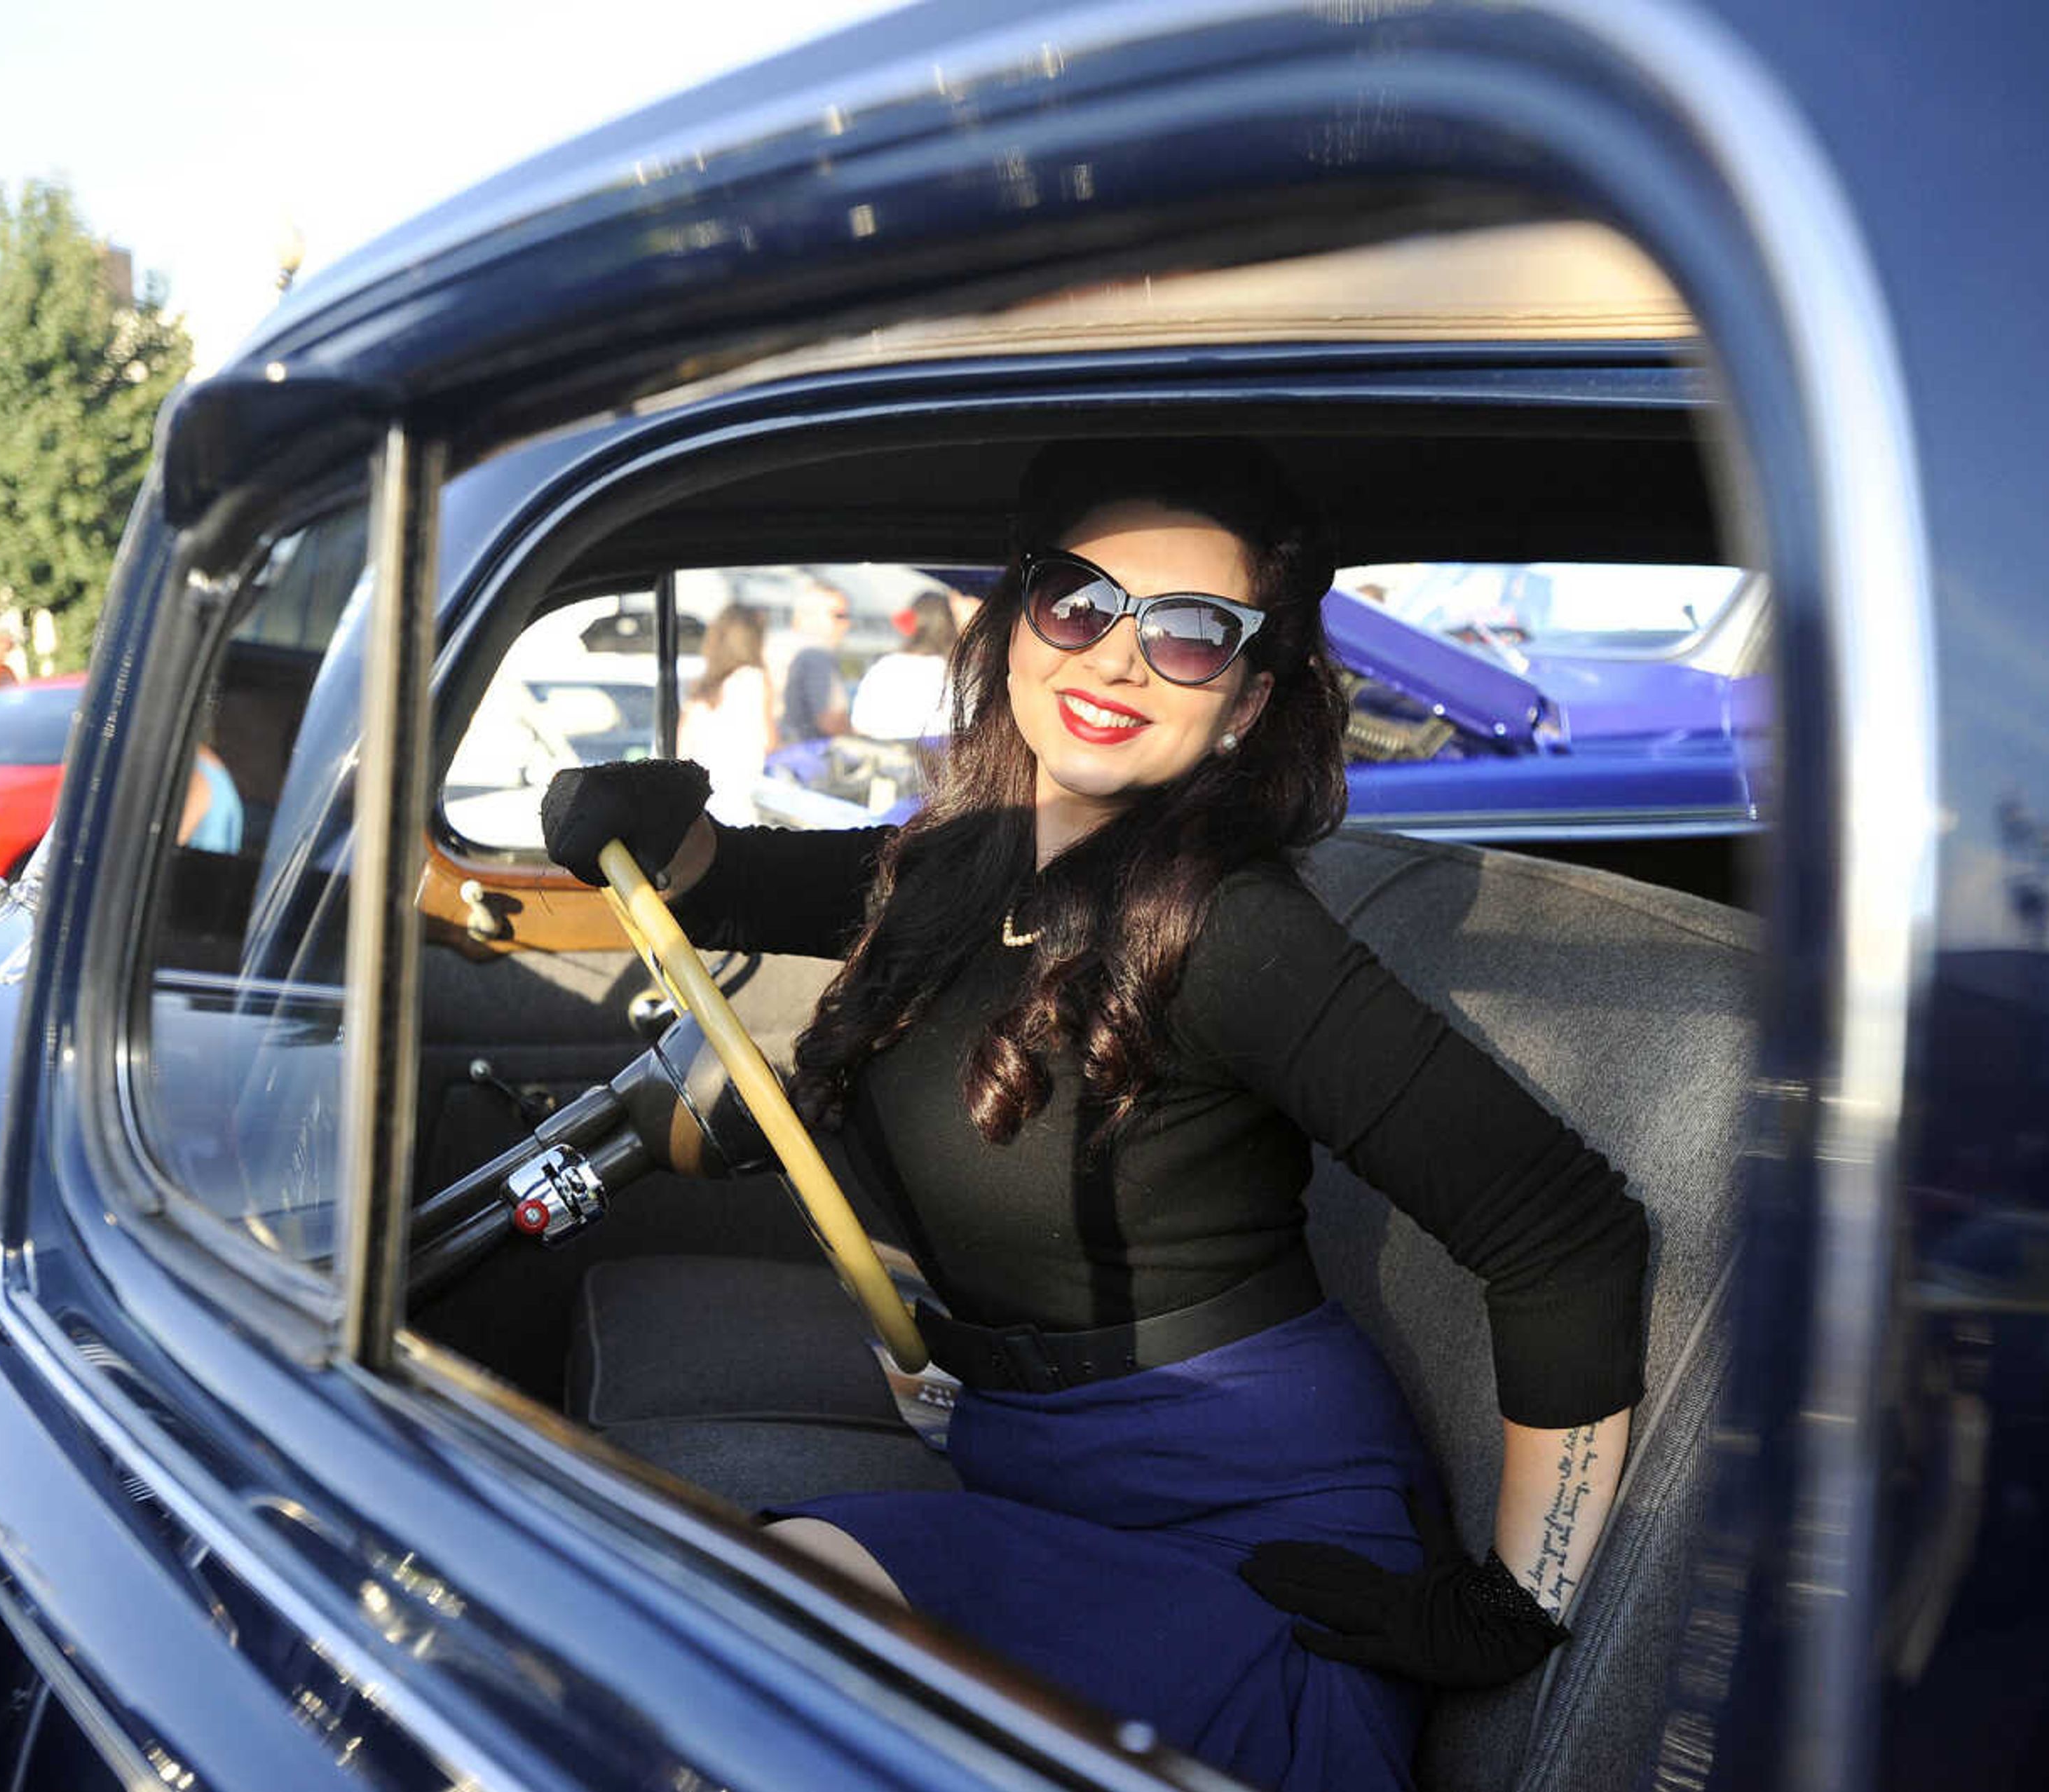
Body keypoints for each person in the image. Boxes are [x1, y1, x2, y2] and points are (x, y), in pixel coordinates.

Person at [540, 439, 1647, 1792]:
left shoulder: (1228, 928)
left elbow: (1565, 1227)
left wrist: (1513, 1605)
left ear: (1243, 704)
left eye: (1190, 635)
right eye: (1080, 601)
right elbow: (733, 886)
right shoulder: (956, 868)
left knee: (738, 1637)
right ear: (1015, 628)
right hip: (1037, 1480)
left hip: (1257, 1560)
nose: (1119, 656)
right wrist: (647, 818)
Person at [675, 604, 777, 826]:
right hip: (740, 803)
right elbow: (769, 742)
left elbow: (681, 751)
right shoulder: (754, 680)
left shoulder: (700, 693)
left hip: (700, 807)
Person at [847, 588, 962, 740]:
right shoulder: (957, 671)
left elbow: (860, 725)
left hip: (889, 758)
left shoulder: (885, 667)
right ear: (950, 622)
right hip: (940, 759)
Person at [774, 582, 854, 742]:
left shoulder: (772, 645)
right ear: (809, 616)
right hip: (801, 756)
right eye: (839, 616)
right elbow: (831, 722)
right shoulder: (817, 654)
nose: (847, 624)